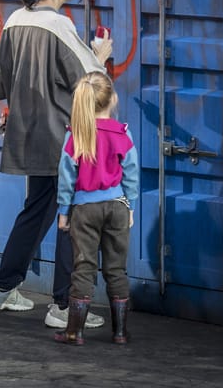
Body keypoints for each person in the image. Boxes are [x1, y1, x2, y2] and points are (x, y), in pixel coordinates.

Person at [0, 0, 112, 330]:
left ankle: (1, 290)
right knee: (72, 216)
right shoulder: (59, 25)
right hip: (62, 138)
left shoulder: (13, 21)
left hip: (28, 136)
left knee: (36, 209)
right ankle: (65, 306)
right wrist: (101, 56)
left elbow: (0, 84)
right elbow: (91, 83)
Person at [54, 72, 138, 345]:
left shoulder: (75, 136)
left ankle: (74, 332)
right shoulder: (122, 133)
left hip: (84, 210)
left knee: (84, 267)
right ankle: (121, 333)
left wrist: (63, 212)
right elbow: (131, 173)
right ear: (112, 99)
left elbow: (66, 178)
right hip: (117, 207)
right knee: (117, 269)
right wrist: (131, 207)